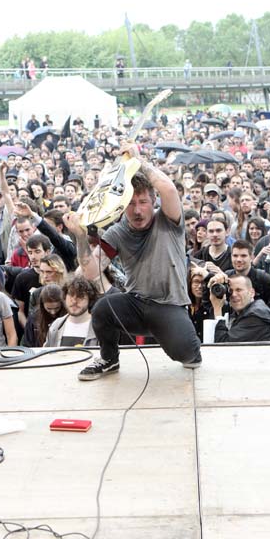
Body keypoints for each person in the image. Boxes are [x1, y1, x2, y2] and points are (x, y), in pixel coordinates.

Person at [63, 143, 202, 380]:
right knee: (103, 309)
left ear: (153, 202)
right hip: (136, 304)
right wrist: (79, 237)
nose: (137, 210)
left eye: (143, 202)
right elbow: (89, 272)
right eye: (131, 203)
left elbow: (168, 189)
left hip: (169, 305)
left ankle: (181, 343)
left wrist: (139, 163)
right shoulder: (117, 233)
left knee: (188, 357)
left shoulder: (168, 220)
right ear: (122, 205)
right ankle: (108, 359)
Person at [210, 274, 270, 343]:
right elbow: (210, 302)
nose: (234, 295)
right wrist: (213, 283)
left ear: (252, 293)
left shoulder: (255, 316)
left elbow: (222, 345)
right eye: (230, 291)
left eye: (239, 290)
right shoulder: (243, 311)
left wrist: (217, 309)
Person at [45, 277, 99, 347]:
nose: (74, 301)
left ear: (90, 299)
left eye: (80, 296)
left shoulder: (99, 327)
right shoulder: (56, 326)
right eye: (71, 295)